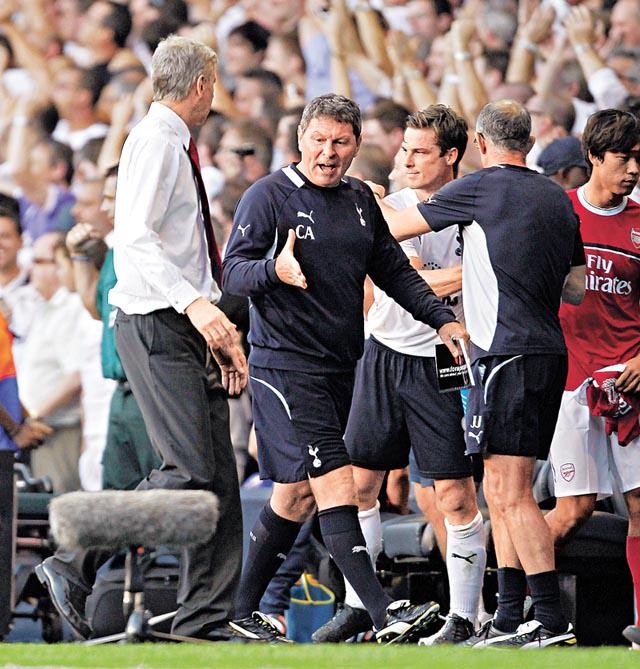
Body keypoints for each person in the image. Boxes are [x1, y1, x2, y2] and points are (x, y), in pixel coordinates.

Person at [223, 93, 469, 644]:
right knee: (338, 482)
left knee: (296, 496)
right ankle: (383, 614)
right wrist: (274, 270)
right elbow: (232, 273)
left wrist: (442, 320)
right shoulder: (268, 196)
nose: (328, 153)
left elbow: (395, 273)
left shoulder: (359, 200)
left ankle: (241, 610)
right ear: (300, 139)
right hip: (286, 365)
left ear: (357, 146)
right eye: (318, 140)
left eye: (340, 142)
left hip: (341, 366)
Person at [37, 35, 248, 642]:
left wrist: (215, 325)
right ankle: (72, 561)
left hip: (184, 321)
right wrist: (197, 308)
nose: (215, 95)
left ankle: (205, 620)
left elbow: (184, 250)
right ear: (201, 85)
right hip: (158, 322)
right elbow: (133, 238)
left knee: (218, 480)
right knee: (187, 468)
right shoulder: (156, 141)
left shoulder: (168, 140)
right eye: (214, 84)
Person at [372, 99, 586, 648]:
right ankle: (509, 615)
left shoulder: (481, 186)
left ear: (482, 145)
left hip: (504, 354)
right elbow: (576, 288)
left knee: (511, 494)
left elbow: (393, 228)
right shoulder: (559, 200)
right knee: (499, 487)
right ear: (530, 143)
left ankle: (550, 619)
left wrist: (363, 201)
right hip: (548, 352)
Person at [313, 104, 486, 646]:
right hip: (384, 353)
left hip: (445, 359)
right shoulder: (393, 209)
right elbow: (409, 283)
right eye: (404, 149)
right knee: (360, 486)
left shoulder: (476, 210)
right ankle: (360, 606)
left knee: (455, 494)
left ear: (451, 156)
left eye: (420, 152)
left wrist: (462, 275)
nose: (406, 160)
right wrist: (480, 272)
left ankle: (467, 617)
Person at [543, 109, 640, 650]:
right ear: (595, 158)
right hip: (571, 384)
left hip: (630, 382)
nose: (633, 170)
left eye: (639, 160)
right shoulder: (559, 213)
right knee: (574, 510)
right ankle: (522, 608)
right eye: (624, 158)